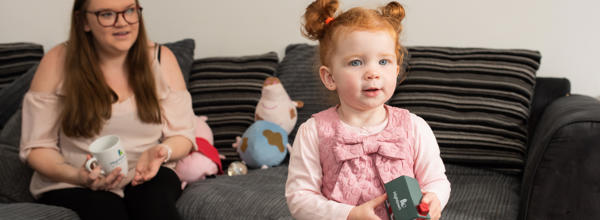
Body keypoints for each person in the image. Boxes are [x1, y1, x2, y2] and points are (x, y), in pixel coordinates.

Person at [19, 0, 196, 219]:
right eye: (107, 14)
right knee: (106, 211)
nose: (122, 23)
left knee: (155, 205)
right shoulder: (57, 60)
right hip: (75, 180)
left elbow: (182, 135)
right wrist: (79, 177)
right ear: (84, 20)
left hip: (145, 174)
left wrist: (162, 152)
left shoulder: (162, 58)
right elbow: (37, 147)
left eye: (130, 11)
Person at [285, 1, 451, 220]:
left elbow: (436, 181)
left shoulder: (414, 127)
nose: (373, 72)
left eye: (384, 61)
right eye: (356, 62)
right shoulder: (313, 131)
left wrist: (434, 198)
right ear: (330, 77)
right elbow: (300, 198)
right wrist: (349, 214)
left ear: (396, 70)